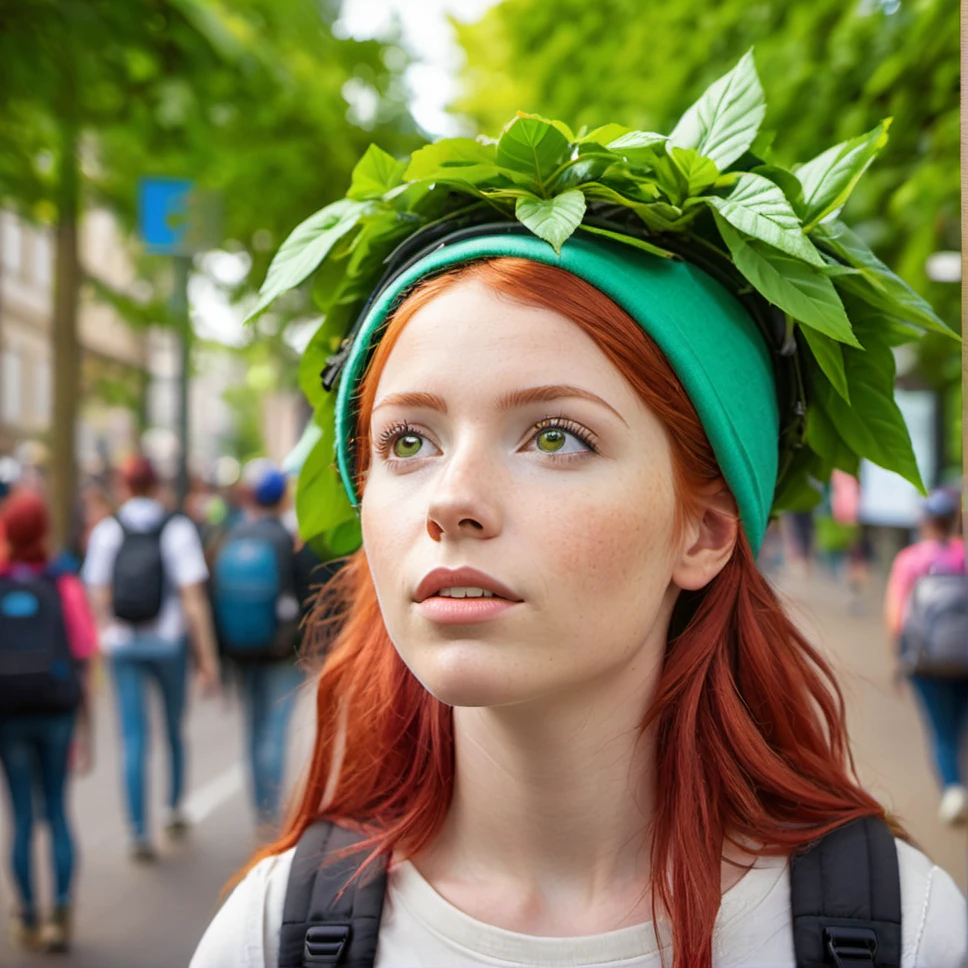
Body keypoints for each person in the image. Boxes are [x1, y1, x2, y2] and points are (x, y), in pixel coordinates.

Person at [191, 58, 965, 968]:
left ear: (705, 530)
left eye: (555, 436)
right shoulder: (273, 934)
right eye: (408, 441)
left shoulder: (904, 934)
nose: (451, 502)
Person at [82, 454, 220, 861]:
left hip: (124, 644)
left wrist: (107, 631)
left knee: (133, 738)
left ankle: (137, 832)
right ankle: (173, 808)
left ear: (124, 487)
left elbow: (97, 591)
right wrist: (206, 658)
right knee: (173, 728)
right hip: (167, 643)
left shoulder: (108, 530)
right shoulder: (175, 528)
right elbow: (193, 599)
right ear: (156, 485)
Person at [0, 492, 97, 953]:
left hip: (8, 713)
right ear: (42, 530)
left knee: (20, 818)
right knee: (57, 812)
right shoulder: (63, 583)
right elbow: (84, 653)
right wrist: (88, 722)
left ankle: (27, 916)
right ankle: (61, 912)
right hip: (56, 710)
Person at [211, 462, 307, 835]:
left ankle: (260, 812)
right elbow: (305, 595)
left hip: (240, 648)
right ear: (282, 496)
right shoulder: (287, 540)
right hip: (281, 650)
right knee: (275, 730)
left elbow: (213, 597)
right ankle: (272, 812)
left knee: (252, 728)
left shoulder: (232, 537)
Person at [885, 488, 968, 824]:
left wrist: (898, 657)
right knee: (961, 726)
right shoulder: (963, 556)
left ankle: (953, 789)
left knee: (941, 730)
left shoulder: (910, 560)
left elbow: (896, 616)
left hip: (925, 660)